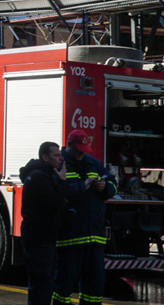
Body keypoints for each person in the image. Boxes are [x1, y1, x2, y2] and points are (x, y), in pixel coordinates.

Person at [53, 129, 117, 305]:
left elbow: (113, 183)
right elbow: (56, 193)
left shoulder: (93, 163)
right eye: (79, 150)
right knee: (64, 283)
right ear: (69, 144)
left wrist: (105, 186)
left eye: (84, 149)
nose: (82, 153)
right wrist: (82, 186)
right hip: (70, 237)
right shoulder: (59, 164)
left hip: (94, 236)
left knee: (95, 284)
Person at [19, 141, 69, 305]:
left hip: (43, 237)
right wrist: (62, 181)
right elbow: (54, 203)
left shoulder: (43, 174)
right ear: (45, 157)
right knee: (42, 284)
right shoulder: (40, 177)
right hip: (39, 239)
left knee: (43, 283)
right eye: (57, 155)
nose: (61, 158)